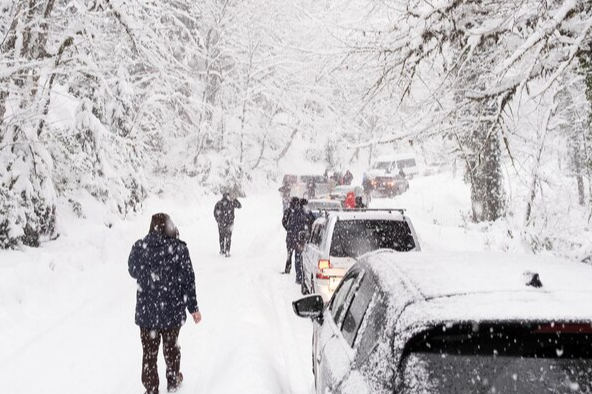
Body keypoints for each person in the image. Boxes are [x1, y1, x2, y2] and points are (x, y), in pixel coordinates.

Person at [128, 213, 202, 394]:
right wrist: (193, 308)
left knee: (149, 354)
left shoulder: (139, 247)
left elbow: (133, 271)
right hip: (172, 311)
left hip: (147, 314)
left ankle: (151, 388)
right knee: (172, 349)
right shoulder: (179, 249)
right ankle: (173, 379)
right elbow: (188, 280)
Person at [282, 197, 309, 284]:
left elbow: (284, 222)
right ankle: (298, 276)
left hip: (294, 238)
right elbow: (284, 222)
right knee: (296, 257)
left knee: (292, 255)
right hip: (296, 238)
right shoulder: (298, 213)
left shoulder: (292, 212)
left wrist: (289, 229)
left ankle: (292, 272)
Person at [214, 192, 242, 257]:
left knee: (222, 237)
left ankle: (222, 250)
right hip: (229, 224)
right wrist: (234, 199)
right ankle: (227, 251)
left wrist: (218, 220)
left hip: (222, 224)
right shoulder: (231, 203)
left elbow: (215, 213)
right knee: (228, 238)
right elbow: (239, 206)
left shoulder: (219, 203)